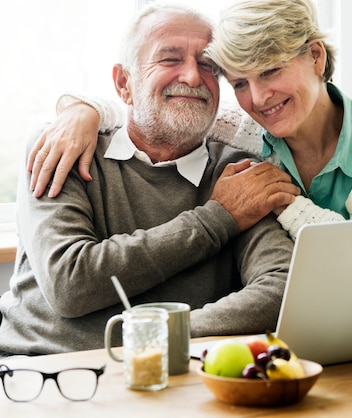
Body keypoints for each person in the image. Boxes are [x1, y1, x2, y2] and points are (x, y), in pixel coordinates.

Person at [0, 3, 299, 357]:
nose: (192, 76)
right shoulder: (61, 147)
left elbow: (283, 287)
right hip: (43, 377)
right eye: (170, 59)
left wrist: (159, 336)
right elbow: (70, 283)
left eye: (207, 65)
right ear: (124, 84)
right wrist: (217, 219)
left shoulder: (237, 174)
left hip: (176, 376)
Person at [29, 0, 352, 239]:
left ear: (315, 56)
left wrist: (287, 204)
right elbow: (156, 105)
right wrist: (82, 111)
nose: (258, 99)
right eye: (240, 83)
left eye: (271, 71)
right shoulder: (238, 129)